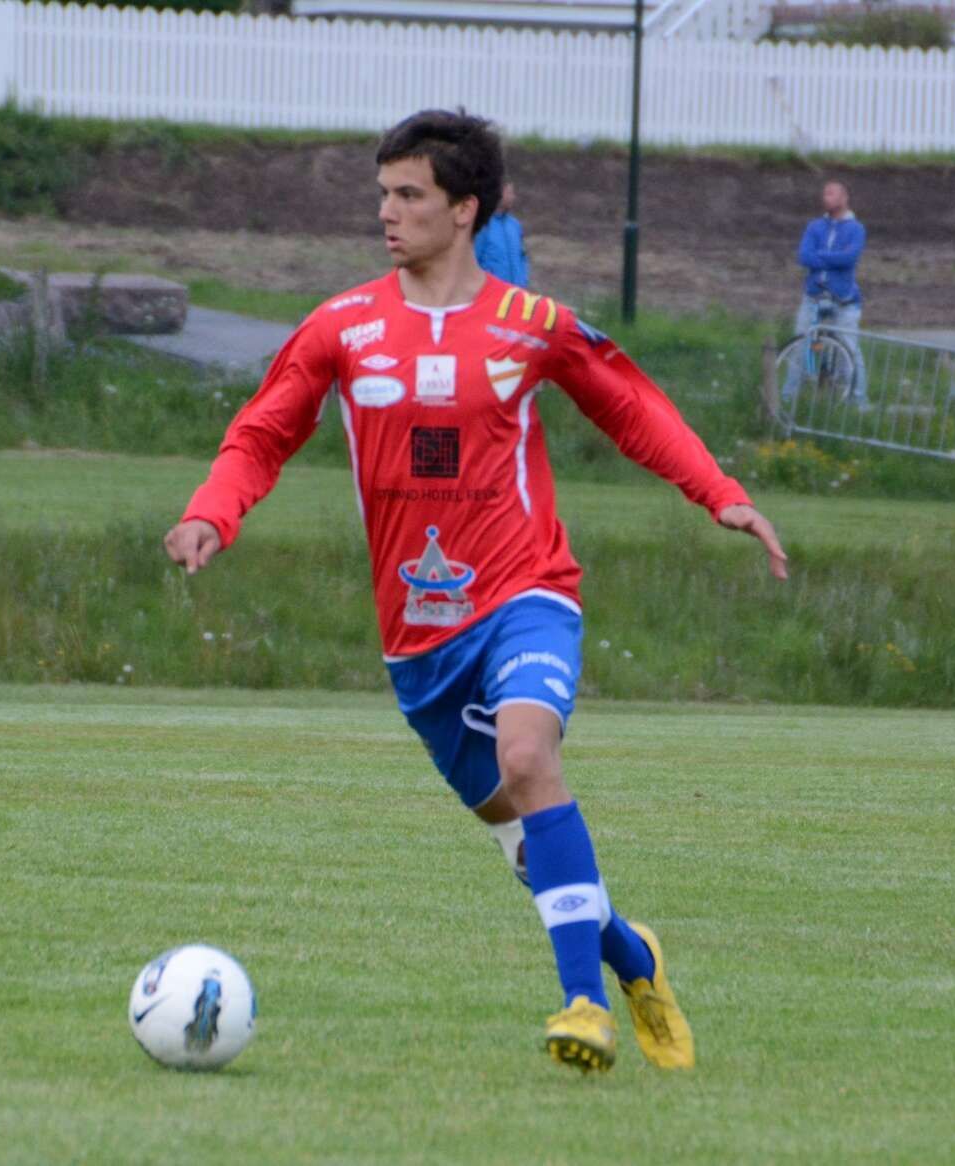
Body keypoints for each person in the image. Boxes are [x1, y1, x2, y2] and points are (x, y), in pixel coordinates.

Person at [163, 109, 787, 1075]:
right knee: (529, 846)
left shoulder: (533, 325)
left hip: (526, 592)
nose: (387, 212)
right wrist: (213, 511)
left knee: (530, 755)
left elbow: (632, 406)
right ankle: (632, 958)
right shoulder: (341, 327)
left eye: (409, 195)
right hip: (419, 642)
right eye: (384, 193)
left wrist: (721, 493)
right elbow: (263, 433)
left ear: (465, 209)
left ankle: (584, 1007)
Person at [783, 179, 868, 405]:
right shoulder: (815, 227)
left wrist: (819, 256)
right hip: (813, 297)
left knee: (849, 351)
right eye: (824, 194)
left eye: (831, 194)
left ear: (844, 197)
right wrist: (833, 259)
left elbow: (849, 259)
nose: (825, 198)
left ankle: (858, 402)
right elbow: (804, 256)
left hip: (844, 300)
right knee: (801, 347)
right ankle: (788, 399)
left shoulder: (856, 229)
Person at [473, 180, 528, 287]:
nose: (513, 197)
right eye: (510, 193)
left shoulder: (514, 225)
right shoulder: (483, 224)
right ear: (499, 193)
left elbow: (522, 256)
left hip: (516, 292)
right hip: (491, 292)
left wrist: (523, 280)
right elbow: (474, 258)